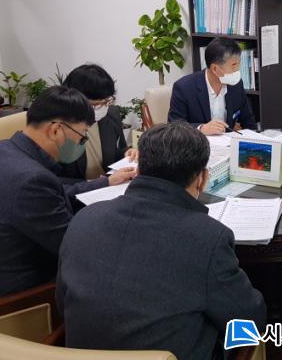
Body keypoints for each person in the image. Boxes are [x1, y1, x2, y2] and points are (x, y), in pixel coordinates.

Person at [57, 121, 266, 359]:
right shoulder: (207, 238)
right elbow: (248, 319)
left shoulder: (84, 218)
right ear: (202, 178)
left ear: (139, 169)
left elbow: (63, 304)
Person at [0, 86, 132, 305]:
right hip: (12, 300)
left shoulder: (2, 150)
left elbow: (57, 193)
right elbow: (74, 246)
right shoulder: (30, 179)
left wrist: (106, 182)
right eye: (81, 137)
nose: (81, 145)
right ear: (55, 130)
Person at [60, 64, 138, 181]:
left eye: (107, 101)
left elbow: (115, 152)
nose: (104, 107)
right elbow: (53, 181)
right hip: (79, 190)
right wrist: (99, 184)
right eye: (96, 104)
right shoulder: (59, 127)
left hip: (111, 187)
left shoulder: (111, 115)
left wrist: (128, 153)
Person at [168, 37, 256, 135]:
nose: (238, 70)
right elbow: (174, 127)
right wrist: (201, 128)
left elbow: (249, 121)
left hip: (227, 142)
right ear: (215, 69)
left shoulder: (236, 84)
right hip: (197, 142)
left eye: (239, 64)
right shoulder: (184, 87)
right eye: (234, 65)